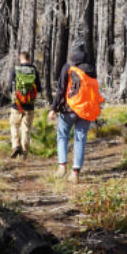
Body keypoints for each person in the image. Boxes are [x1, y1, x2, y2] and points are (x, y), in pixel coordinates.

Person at [48, 40, 103, 182]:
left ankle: (62, 166)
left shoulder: (68, 66)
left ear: (72, 52)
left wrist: (53, 109)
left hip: (69, 109)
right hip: (86, 110)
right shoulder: (91, 68)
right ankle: (76, 172)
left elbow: (61, 90)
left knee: (62, 136)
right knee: (80, 139)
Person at [9, 51, 42, 157]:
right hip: (30, 105)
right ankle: (24, 152)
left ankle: (15, 146)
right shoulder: (34, 71)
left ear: (20, 58)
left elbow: (10, 88)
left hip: (16, 105)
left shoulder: (15, 70)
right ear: (29, 58)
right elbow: (39, 88)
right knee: (26, 129)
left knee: (14, 125)